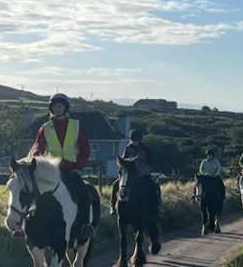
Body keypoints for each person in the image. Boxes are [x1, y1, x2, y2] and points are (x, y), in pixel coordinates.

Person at [29, 93, 95, 238]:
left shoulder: (76, 126)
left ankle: (85, 225)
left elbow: (85, 149)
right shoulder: (44, 128)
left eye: (60, 106)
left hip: (70, 170)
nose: (57, 109)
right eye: (55, 106)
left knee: (83, 194)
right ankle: (27, 224)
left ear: (65, 108)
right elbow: (38, 150)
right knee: (31, 192)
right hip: (50, 171)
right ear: (51, 108)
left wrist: (78, 168)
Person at [110, 129, 158, 214]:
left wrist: (143, 171)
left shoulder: (146, 150)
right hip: (130, 175)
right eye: (133, 139)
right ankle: (113, 207)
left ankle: (156, 208)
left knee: (154, 186)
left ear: (140, 140)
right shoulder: (127, 149)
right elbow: (123, 162)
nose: (135, 141)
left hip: (143, 175)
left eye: (137, 140)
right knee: (115, 185)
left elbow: (151, 163)